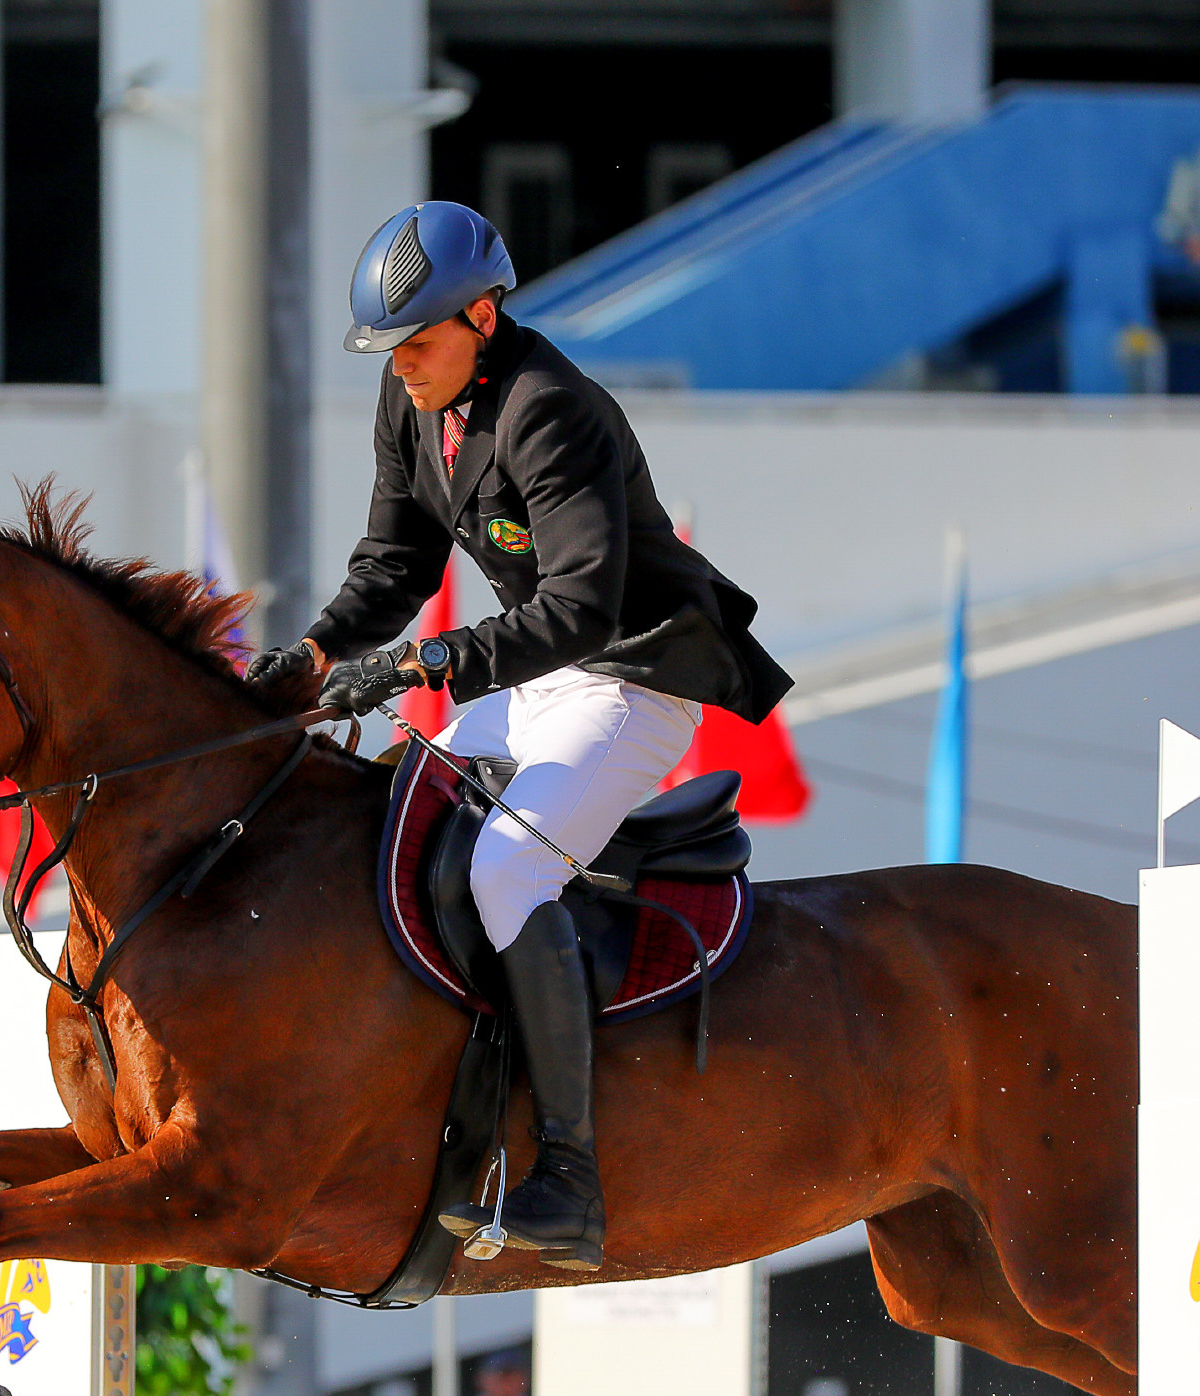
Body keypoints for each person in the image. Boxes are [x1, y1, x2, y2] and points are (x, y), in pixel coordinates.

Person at [248, 202, 794, 1272]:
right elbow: (393, 566)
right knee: (393, 814)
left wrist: (421, 664)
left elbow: (582, 610)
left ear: (484, 317)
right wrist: (311, 654)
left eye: (417, 342)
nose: (401, 366)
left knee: (504, 869)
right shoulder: (412, 400)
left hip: (631, 682)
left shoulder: (553, 409)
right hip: (536, 676)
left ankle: (570, 1175)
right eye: (388, 349)